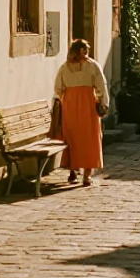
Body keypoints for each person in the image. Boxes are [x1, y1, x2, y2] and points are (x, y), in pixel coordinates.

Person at [54, 39, 109, 187]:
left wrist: (68, 97)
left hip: (70, 105)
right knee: (88, 138)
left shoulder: (65, 67)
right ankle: (86, 175)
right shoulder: (92, 66)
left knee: (73, 137)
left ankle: (74, 170)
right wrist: (103, 103)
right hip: (88, 105)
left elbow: (58, 87)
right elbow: (101, 86)